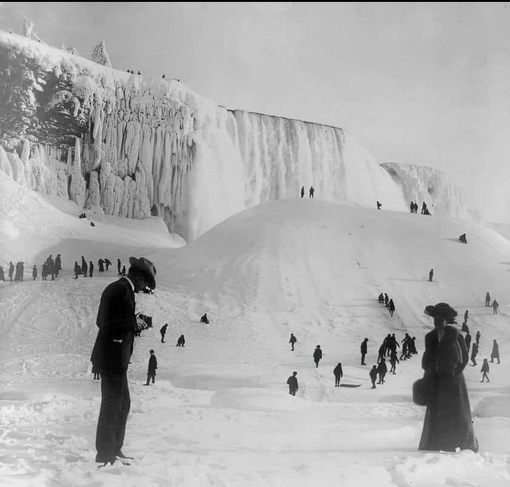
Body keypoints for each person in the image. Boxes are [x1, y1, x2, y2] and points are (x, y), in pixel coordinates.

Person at [90, 256, 157, 466]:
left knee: (122, 404)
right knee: (112, 405)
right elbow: (103, 320)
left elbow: (115, 318)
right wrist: (132, 323)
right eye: (145, 282)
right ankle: (105, 454)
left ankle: (114, 449)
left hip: (117, 360)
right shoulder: (119, 289)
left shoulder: (124, 290)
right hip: (112, 358)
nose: (144, 287)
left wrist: (132, 322)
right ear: (136, 276)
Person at [419, 302, 478, 452]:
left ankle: (464, 443)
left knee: (457, 411)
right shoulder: (430, 337)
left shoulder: (456, 334)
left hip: (454, 380)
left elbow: (464, 356)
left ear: (447, 320)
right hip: (437, 380)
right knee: (438, 411)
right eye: (435, 318)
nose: (438, 321)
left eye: (441, 318)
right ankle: (438, 442)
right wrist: (428, 367)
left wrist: (456, 371)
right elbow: (427, 357)